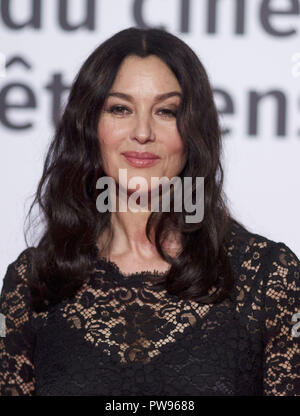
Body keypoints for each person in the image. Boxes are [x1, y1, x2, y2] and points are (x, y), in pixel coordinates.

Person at [0, 27, 299, 397]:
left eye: (166, 111)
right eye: (120, 108)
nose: (142, 132)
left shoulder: (268, 278)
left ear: (193, 131)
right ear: (90, 125)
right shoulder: (34, 283)